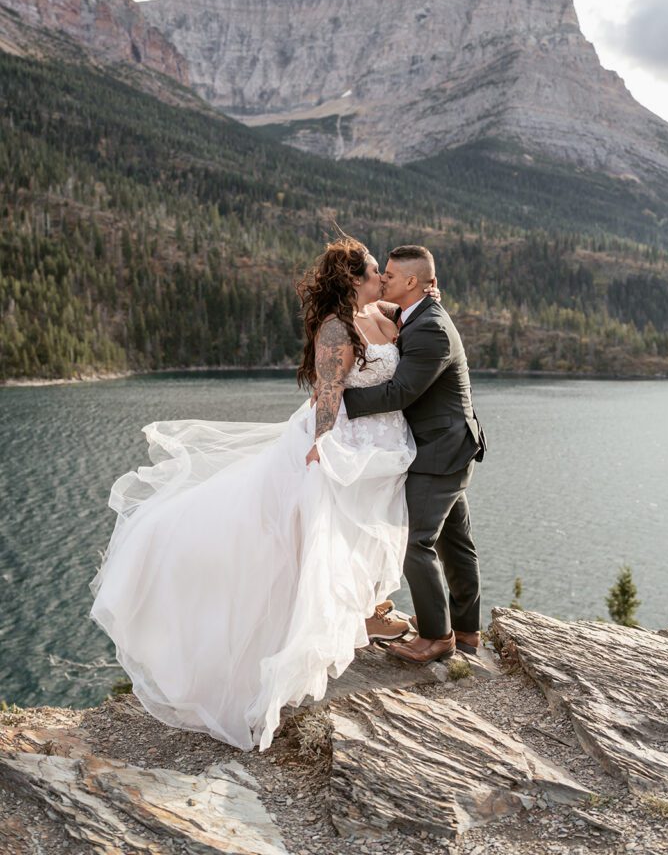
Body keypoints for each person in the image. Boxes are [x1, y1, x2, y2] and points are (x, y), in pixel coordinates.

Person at [90, 237, 421, 752]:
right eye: (375, 271)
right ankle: (280, 649)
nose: (382, 278)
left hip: (383, 443)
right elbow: (328, 394)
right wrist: (321, 446)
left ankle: (372, 609)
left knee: (372, 529)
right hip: (341, 442)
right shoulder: (337, 329)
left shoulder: (382, 312)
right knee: (311, 539)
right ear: (353, 279)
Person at [344, 245, 486, 665]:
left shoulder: (430, 329)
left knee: (415, 542)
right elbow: (389, 308)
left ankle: (436, 636)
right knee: (455, 544)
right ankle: (466, 632)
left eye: (389, 274)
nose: (383, 279)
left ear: (411, 282)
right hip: (447, 445)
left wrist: (338, 402)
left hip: (440, 451)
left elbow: (401, 391)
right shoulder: (415, 314)